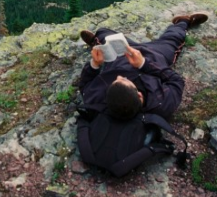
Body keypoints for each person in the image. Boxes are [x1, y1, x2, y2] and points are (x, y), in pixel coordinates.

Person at [79, 13, 209, 121]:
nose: (119, 76)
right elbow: (177, 81)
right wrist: (143, 63)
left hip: (121, 54)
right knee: (174, 38)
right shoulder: (161, 103)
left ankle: (95, 42)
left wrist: (94, 64)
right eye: (124, 80)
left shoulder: (96, 100)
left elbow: (85, 85)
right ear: (140, 96)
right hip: (155, 56)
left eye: (115, 81)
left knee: (103, 32)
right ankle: (183, 21)